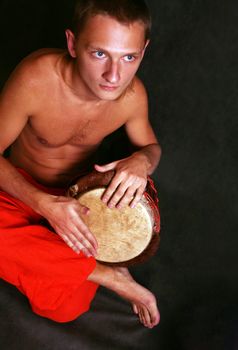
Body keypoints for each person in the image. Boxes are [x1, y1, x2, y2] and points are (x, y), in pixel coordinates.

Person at [0, 0, 161, 329]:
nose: (114, 75)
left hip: (78, 208)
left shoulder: (132, 96)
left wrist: (142, 160)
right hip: (18, 195)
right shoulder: (35, 79)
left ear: (143, 51)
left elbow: (151, 146)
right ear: (73, 44)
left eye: (128, 57)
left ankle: (59, 259)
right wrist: (45, 205)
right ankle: (106, 273)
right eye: (99, 53)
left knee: (63, 308)